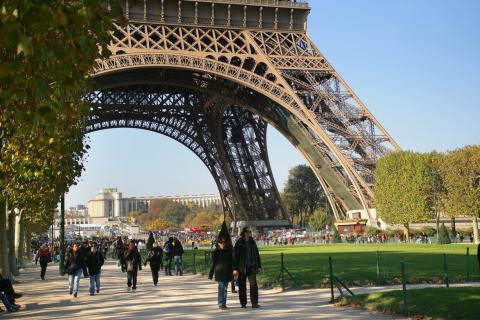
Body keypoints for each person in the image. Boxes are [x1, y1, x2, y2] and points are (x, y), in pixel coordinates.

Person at [233, 227, 261, 308]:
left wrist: (259, 266)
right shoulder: (239, 242)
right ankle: (243, 303)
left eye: (250, 231)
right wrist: (235, 268)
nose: (250, 233)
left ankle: (254, 303)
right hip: (242, 268)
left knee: (254, 285)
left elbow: (257, 254)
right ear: (245, 232)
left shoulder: (252, 241)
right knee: (242, 286)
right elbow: (235, 256)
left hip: (251, 267)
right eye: (249, 231)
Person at [209, 236, 233, 309]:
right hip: (219, 272)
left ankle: (223, 303)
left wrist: (234, 270)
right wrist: (211, 273)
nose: (223, 244)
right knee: (221, 287)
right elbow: (213, 263)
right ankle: (221, 303)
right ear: (218, 244)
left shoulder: (229, 251)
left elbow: (232, 262)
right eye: (221, 242)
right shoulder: (216, 252)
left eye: (224, 242)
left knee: (225, 288)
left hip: (227, 271)